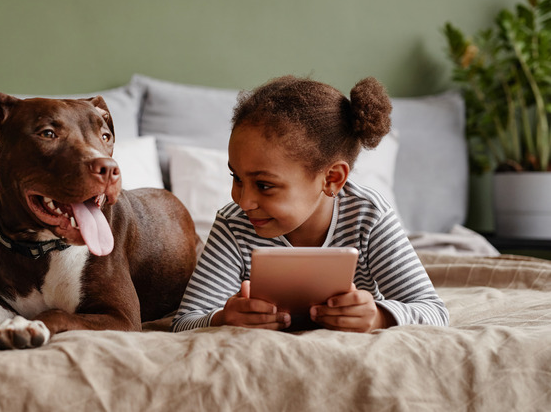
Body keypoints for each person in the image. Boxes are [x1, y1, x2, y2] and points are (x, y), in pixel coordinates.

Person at [171, 75, 449, 333]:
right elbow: (184, 322)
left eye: (264, 185)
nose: (244, 202)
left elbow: (434, 311)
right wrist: (221, 318)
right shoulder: (233, 225)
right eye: (237, 178)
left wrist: (379, 316)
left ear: (332, 178)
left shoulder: (369, 216)